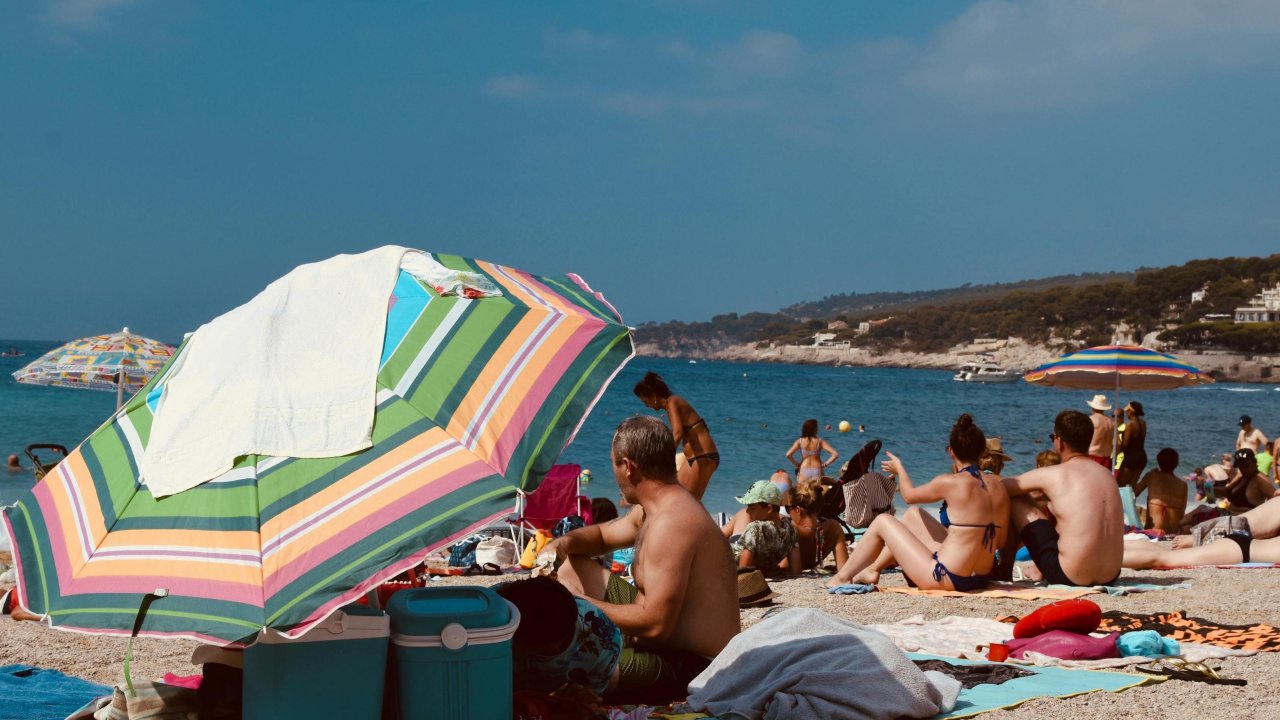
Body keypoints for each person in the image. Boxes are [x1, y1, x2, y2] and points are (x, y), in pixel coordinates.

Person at [542, 415, 740, 704]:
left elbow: (656, 624)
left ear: (629, 467)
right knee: (572, 565)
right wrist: (561, 544)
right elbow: (601, 535)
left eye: (614, 464)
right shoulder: (653, 509)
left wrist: (577, 604)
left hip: (693, 666)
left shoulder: (672, 523)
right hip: (659, 638)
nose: (614, 474)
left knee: (564, 675)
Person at [825, 414, 1008, 590]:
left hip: (947, 577)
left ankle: (841, 577)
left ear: (951, 451)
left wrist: (900, 469)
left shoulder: (950, 482)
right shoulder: (999, 486)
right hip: (980, 577)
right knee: (914, 515)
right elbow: (1001, 542)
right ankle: (872, 569)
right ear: (982, 450)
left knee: (882, 521)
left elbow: (909, 496)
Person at [998, 410, 1124, 587]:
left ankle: (1003, 571)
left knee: (1016, 498)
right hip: (1111, 574)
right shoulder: (1107, 475)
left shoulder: (1054, 474)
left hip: (1070, 575)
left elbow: (1000, 487)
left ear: (1059, 441)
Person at [495, 577, 622, 700]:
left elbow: (592, 698)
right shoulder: (492, 614)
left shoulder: (603, 641)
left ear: (553, 648)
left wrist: (584, 697)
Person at [633, 372, 719, 501]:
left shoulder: (673, 401)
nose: (646, 405)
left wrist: (664, 458)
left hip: (703, 458)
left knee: (686, 502)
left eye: (646, 401)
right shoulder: (671, 405)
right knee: (674, 496)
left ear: (654, 396)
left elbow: (677, 433)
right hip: (696, 458)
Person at [720, 480, 800, 576]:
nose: (748, 511)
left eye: (752, 508)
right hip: (763, 569)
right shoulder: (790, 529)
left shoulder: (755, 529)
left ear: (769, 509)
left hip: (726, 555)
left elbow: (743, 572)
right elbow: (796, 571)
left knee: (714, 540)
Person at [783, 479, 848, 572]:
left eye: (788, 508)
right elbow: (843, 568)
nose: (789, 513)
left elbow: (784, 568)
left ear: (798, 509)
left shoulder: (791, 529)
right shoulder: (833, 527)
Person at [1132, 448, 1187, 534]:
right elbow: (1181, 515)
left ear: (1158, 462)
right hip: (1173, 533)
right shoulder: (1183, 485)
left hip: (1153, 532)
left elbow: (1133, 494)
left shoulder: (1151, 476)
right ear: (1176, 464)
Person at [785, 419, 839, 484]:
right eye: (817, 427)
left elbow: (788, 455)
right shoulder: (820, 441)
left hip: (804, 469)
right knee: (817, 492)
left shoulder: (800, 441)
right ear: (814, 429)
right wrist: (825, 465)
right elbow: (835, 454)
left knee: (803, 492)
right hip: (817, 470)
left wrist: (797, 464)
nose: (818, 429)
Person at [1114, 402, 1147, 488]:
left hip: (1131, 458)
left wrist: (1117, 433)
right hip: (1142, 457)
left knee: (1120, 486)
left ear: (1131, 412)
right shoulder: (1143, 423)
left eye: (1127, 411)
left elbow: (1125, 444)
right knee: (1131, 488)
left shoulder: (1130, 425)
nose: (1126, 413)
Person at [1086, 395, 1114, 470]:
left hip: (1092, 455)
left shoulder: (1091, 419)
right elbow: (1116, 442)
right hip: (1107, 457)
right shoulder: (1111, 422)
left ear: (1093, 407)